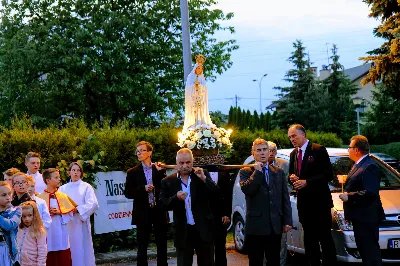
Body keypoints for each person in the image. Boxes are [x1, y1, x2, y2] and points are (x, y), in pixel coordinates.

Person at [287, 124, 337, 266]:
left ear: (303, 134)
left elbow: (328, 175)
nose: (292, 139)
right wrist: (292, 179)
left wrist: (307, 182)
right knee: (309, 240)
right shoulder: (293, 154)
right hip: (304, 204)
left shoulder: (318, 150)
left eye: (294, 136)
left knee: (325, 239)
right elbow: (292, 175)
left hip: (320, 203)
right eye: (290, 137)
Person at [160, 148, 219, 266]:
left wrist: (205, 179)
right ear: (176, 164)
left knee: (207, 262)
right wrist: (175, 198)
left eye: (188, 162)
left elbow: (216, 195)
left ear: (192, 162)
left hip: (203, 230)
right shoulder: (168, 181)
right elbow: (162, 204)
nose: (184, 166)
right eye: (181, 163)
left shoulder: (201, 175)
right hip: (183, 231)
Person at [240, 138, 292, 266]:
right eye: (259, 150)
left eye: (265, 150)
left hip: (274, 226)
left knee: (274, 261)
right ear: (253, 153)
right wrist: (257, 172)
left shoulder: (278, 172)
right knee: (256, 261)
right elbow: (248, 190)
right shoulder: (246, 171)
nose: (262, 153)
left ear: (269, 152)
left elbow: (285, 198)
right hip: (256, 227)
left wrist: (287, 221)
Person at [339, 135, 385, 266]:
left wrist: (349, 196)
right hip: (359, 216)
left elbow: (370, 192)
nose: (348, 150)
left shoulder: (369, 166)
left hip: (367, 217)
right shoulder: (358, 165)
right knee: (365, 252)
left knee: (370, 253)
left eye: (349, 147)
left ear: (357, 150)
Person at [124, 141, 168, 266]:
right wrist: (143, 188)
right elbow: (128, 193)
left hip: (159, 211)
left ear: (149, 152)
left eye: (142, 150)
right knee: (142, 245)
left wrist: (160, 172)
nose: (139, 153)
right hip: (142, 212)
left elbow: (165, 188)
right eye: (137, 151)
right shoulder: (132, 172)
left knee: (162, 244)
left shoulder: (159, 168)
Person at [59, 162, 99, 266]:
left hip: (81, 222)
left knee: (82, 247)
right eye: (73, 170)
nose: (76, 172)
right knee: (69, 247)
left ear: (81, 173)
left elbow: (93, 203)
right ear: (69, 172)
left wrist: (78, 210)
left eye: (78, 170)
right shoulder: (62, 189)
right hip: (68, 222)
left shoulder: (86, 187)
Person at [38, 168, 77, 266]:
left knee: (63, 255)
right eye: (56, 177)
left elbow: (71, 213)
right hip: (47, 231)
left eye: (58, 177)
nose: (59, 179)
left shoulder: (62, 196)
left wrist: (60, 212)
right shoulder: (39, 198)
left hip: (60, 230)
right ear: (48, 181)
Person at [267, 141, 290, 266]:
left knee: (280, 243)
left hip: (279, 208)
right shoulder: (256, 165)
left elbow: (288, 186)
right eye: (268, 150)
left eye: (273, 151)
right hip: (264, 211)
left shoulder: (284, 165)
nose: (270, 153)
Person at [182, 54, 214, 130]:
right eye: (198, 68)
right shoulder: (191, 77)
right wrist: (194, 86)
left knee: (201, 113)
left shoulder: (202, 78)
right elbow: (188, 88)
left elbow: (205, 88)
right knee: (194, 113)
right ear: (195, 68)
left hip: (201, 99)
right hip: (193, 100)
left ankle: (202, 125)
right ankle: (193, 125)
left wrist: (200, 86)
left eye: (201, 68)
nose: (199, 70)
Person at [210, 170, 231, 266]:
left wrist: (227, 214)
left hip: (220, 216)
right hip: (205, 215)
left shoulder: (223, 172)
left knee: (220, 246)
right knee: (206, 248)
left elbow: (228, 195)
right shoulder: (198, 171)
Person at [17, 201, 47, 265]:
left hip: (33, 263)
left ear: (34, 215)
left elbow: (42, 250)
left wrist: (40, 264)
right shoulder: (19, 229)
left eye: (30, 215)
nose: (27, 219)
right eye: (24, 216)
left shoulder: (39, 231)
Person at [0, 181, 21, 266]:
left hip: (8, 250)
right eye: (4, 195)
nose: (8, 197)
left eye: (9, 194)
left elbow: (10, 225)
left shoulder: (16, 210)